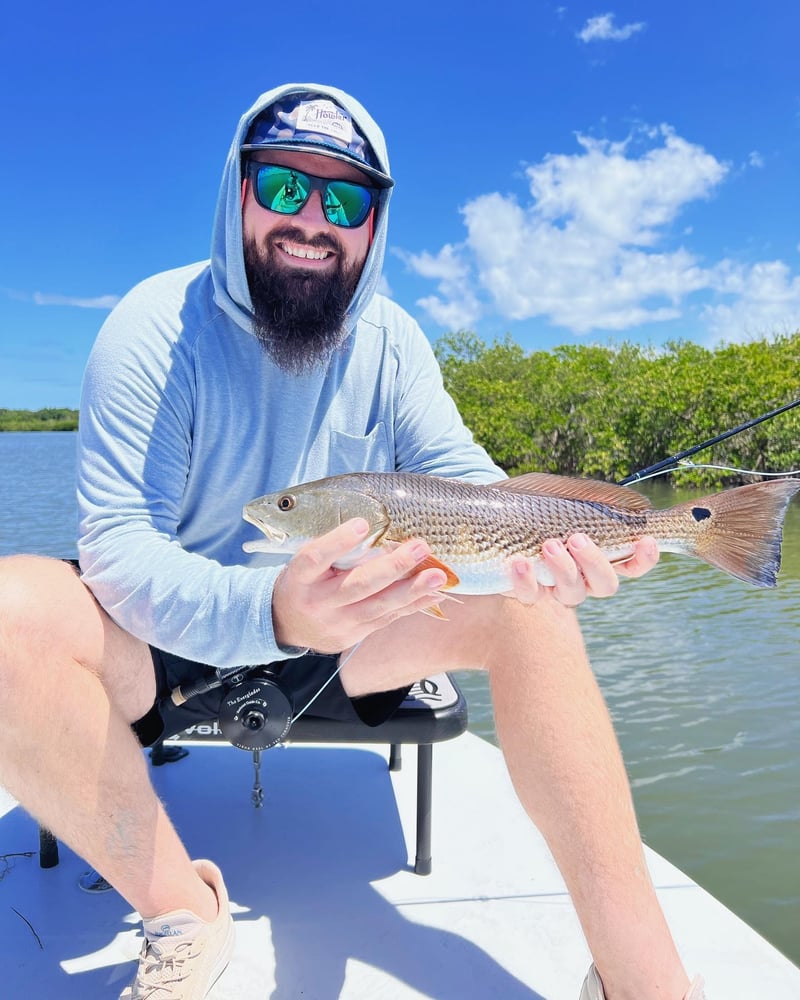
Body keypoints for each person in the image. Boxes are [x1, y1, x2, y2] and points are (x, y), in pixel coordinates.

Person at [0, 84, 705, 1000]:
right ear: (237, 190)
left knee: (530, 617)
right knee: (10, 609)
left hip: (351, 641)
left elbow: (472, 487)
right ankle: (183, 910)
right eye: (285, 185)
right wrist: (273, 607)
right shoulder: (152, 327)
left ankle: (645, 979)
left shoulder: (394, 342)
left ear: (373, 225)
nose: (312, 220)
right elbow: (120, 549)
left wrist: (565, 549)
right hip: (168, 642)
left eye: (345, 200)